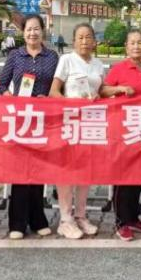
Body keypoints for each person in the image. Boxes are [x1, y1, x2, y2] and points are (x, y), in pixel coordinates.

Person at [0, 14, 59, 240]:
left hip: (44, 121)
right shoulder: (15, 56)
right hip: (20, 120)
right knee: (20, 170)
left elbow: (57, 87)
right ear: (23, 33)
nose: (33, 33)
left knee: (39, 170)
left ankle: (38, 219)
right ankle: (17, 223)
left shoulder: (52, 57)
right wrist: (10, 98)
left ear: (43, 31)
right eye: (29, 29)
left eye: (36, 29)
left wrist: (48, 98)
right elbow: (2, 85)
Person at [49, 23, 107, 239]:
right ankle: (65, 220)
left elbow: (101, 90)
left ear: (94, 41)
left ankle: (81, 216)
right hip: (69, 121)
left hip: (91, 123)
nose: (84, 41)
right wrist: (69, 103)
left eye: (88, 37)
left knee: (85, 171)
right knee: (66, 171)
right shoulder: (66, 60)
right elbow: (54, 92)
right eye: (80, 37)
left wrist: (104, 94)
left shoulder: (98, 64)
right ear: (73, 41)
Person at [103, 28, 141, 242]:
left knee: (138, 176)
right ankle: (122, 222)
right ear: (126, 47)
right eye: (132, 43)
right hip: (123, 130)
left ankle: (133, 217)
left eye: (140, 42)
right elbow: (103, 90)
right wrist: (121, 89)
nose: (136, 46)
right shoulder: (119, 69)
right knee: (123, 177)